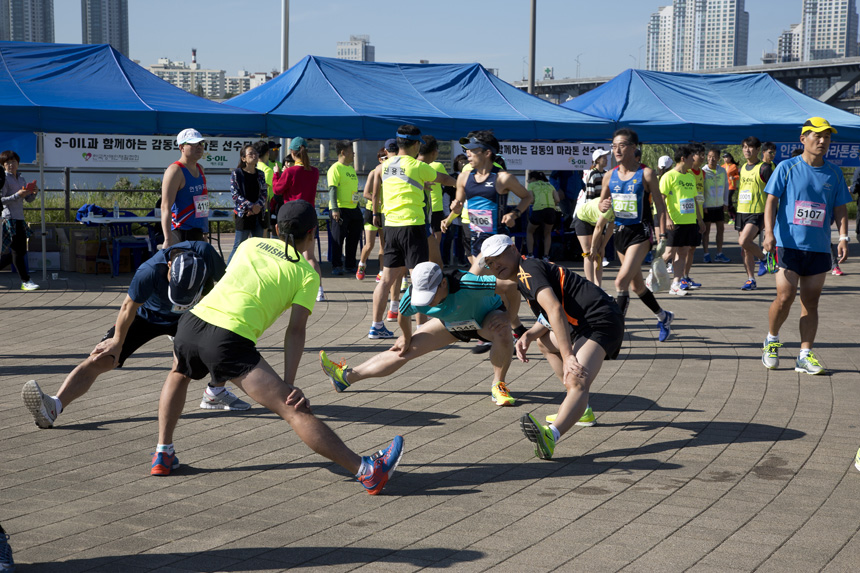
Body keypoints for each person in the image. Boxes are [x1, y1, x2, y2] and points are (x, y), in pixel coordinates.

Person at [151, 201, 404, 494]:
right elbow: (295, 331)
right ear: (312, 234)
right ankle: (368, 471)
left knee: (178, 374)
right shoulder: (307, 274)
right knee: (294, 409)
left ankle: (162, 452)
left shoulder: (250, 245)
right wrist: (289, 384)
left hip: (191, 324)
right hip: (227, 340)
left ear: (275, 228)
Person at [21, 241, 242, 430]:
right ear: (168, 267)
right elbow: (128, 307)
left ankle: (215, 392)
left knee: (218, 344)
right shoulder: (149, 271)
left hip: (190, 315)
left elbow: (226, 286)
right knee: (103, 358)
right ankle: (53, 407)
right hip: (147, 316)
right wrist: (117, 342)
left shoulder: (206, 254)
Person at [480, 235, 624, 459]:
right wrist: (528, 334)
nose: (495, 265)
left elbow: (555, 310)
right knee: (545, 342)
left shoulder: (527, 269)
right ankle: (581, 410)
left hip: (601, 322)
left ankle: (551, 435)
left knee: (577, 380)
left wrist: (568, 355)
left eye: (498, 257)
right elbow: (549, 316)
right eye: (489, 263)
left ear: (513, 248)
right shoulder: (524, 273)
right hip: (584, 324)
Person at [320, 261, 520, 406]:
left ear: (443, 284)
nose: (426, 302)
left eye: (430, 297)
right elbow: (402, 316)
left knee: (502, 332)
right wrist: (406, 337)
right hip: (452, 323)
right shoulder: (412, 296)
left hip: (485, 318)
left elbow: (511, 287)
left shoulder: (468, 283)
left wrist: (508, 317)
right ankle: (345, 377)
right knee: (402, 351)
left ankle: (498, 385)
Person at [761, 117, 851, 376]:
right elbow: (771, 202)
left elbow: (840, 208)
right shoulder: (787, 167)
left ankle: (804, 354)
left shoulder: (833, 172)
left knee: (811, 301)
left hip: (819, 247)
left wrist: (843, 237)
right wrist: (769, 233)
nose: (823, 141)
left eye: (827, 137)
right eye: (817, 136)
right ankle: (772, 340)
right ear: (803, 139)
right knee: (785, 296)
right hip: (788, 244)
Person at [367, 124, 456, 339]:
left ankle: (376, 326)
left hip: (391, 227)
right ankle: (421, 328)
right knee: (419, 278)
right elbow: (443, 179)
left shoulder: (386, 166)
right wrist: (463, 184)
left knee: (386, 279)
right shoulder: (416, 165)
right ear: (416, 144)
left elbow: (401, 184)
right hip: (413, 227)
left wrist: (419, 186)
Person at [599, 128, 674, 342]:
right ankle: (663, 316)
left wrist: (662, 237)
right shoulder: (609, 176)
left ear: (634, 148)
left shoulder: (646, 174)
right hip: (620, 234)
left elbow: (660, 207)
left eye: (621, 145)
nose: (617, 150)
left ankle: (613, 333)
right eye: (614, 146)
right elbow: (603, 207)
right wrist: (602, 204)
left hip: (641, 233)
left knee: (620, 281)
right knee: (636, 286)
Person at [272, 136, 324, 301]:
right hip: (309, 214)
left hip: (290, 215)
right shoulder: (314, 171)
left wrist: (276, 174)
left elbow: (277, 190)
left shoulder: (290, 171)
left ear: (292, 153)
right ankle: (319, 290)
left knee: (287, 254)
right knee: (310, 257)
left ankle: (286, 290)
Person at [660, 145, 705, 297]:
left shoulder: (690, 176)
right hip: (674, 221)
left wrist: (700, 220)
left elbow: (694, 199)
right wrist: (667, 218)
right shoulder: (669, 176)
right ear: (683, 158)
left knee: (683, 253)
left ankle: (675, 284)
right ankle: (652, 276)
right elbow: (661, 199)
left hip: (690, 221)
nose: (694, 160)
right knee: (669, 253)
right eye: (692, 157)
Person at [161, 129, 209, 248]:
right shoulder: (175, 171)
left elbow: (202, 203)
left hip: (197, 231)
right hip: (179, 231)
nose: (199, 147)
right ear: (181, 147)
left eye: (201, 143)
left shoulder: (200, 169)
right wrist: (167, 239)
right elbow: (165, 207)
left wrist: (205, 232)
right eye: (193, 144)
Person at [736, 136, 773, 290]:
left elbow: (773, 193)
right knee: (745, 249)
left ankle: (764, 259)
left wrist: (771, 216)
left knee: (744, 241)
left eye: (750, 147)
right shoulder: (742, 168)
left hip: (757, 212)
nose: (747, 150)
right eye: (744, 147)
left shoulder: (764, 168)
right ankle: (751, 279)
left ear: (758, 150)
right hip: (741, 211)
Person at [0, 150, 39, 290]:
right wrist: (17, 195)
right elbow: (1, 200)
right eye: (7, 163)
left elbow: (28, 200)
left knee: (20, 252)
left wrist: (34, 193)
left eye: (13, 162)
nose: (11, 165)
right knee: (17, 251)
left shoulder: (21, 179)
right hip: (8, 219)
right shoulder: (3, 179)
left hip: (20, 219)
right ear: (3, 165)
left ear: (18, 163)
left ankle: (26, 281)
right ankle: (26, 281)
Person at [227, 144, 267, 265]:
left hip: (258, 214)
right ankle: (227, 272)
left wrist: (257, 207)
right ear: (243, 158)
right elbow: (235, 195)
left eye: (255, 153)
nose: (254, 156)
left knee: (259, 247)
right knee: (238, 246)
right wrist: (251, 206)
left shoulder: (260, 174)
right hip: (244, 215)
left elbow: (264, 193)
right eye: (251, 154)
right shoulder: (237, 173)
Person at [328, 141, 362, 275]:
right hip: (340, 208)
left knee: (353, 238)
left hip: (353, 208)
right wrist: (335, 208)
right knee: (338, 238)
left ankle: (350, 264)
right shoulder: (335, 168)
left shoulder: (351, 169)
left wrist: (357, 206)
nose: (354, 154)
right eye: (351, 151)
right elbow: (332, 189)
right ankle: (336, 265)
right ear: (343, 152)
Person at [357, 146, 389, 281]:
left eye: (388, 158)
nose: (386, 160)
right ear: (379, 159)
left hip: (385, 212)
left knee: (384, 245)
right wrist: (378, 200)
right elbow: (366, 193)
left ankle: (381, 271)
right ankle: (362, 264)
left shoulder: (391, 173)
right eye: (384, 158)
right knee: (369, 244)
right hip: (371, 211)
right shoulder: (373, 172)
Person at [573, 196, 615, 287]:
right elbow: (599, 228)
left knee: (599, 254)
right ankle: (590, 285)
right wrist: (593, 247)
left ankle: (598, 286)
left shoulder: (621, 212)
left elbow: (611, 229)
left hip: (595, 221)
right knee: (588, 253)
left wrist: (603, 247)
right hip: (583, 218)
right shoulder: (609, 208)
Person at [418, 135, 447, 267]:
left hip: (397, 221)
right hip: (425, 215)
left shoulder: (404, 164)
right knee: (434, 257)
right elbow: (446, 180)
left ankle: (405, 281)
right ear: (434, 151)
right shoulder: (428, 166)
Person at [702, 147, 731, 264]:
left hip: (719, 205)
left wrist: (725, 202)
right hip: (707, 205)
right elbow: (701, 190)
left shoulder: (722, 171)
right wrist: (703, 205)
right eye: (709, 156)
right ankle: (706, 254)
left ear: (719, 158)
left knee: (721, 229)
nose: (711, 159)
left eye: (714, 157)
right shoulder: (703, 171)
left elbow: (726, 187)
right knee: (706, 231)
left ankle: (719, 253)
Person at [526, 171, 560, 260]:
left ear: (533, 179)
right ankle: (546, 256)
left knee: (530, 231)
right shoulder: (550, 185)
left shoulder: (532, 185)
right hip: (551, 210)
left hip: (538, 209)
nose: (528, 181)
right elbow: (557, 199)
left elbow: (531, 200)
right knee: (547, 233)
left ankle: (530, 255)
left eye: (529, 179)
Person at [722, 152, 740, 225]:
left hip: (731, 186)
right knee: (727, 202)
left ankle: (734, 217)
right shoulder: (722, 166)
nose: (725, 159)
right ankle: (732, 217)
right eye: (724, 157)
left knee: (728, 200)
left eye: (727, 157)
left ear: (730, 158)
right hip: (724, 187)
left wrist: (734, 177)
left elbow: (738, 176)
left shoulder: (734, 166)